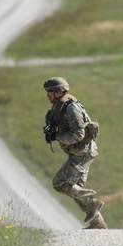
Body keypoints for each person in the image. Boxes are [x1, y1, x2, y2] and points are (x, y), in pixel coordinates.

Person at [43, 77, 106, 229]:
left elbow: (78, 134)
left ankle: (93, 202)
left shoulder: (71, 108)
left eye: (50, 92)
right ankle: (98, 223)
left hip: (83, 153)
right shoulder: (58, 106)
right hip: (78, 152)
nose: (48, 96)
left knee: (59, 183)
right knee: (76, 189)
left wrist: (56, 136)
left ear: (59, 92)